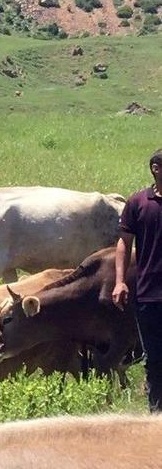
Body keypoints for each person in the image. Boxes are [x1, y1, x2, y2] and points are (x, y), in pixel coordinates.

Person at [113, 148, 162, 412]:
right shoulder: (137, 203)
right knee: (154, 358)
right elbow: (123, 243)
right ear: (156, 168)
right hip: (149, 293)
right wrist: (120, 281)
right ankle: (156, 416)